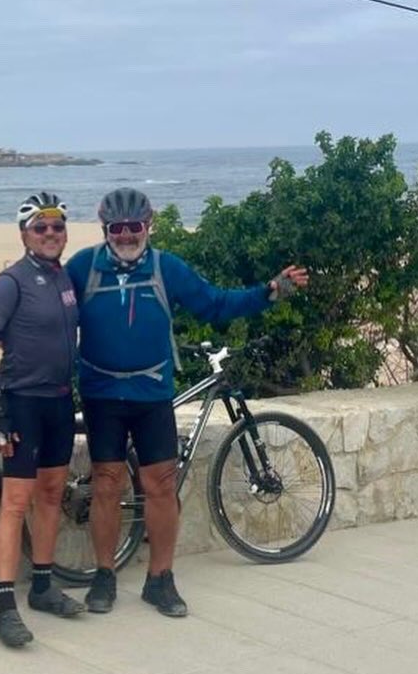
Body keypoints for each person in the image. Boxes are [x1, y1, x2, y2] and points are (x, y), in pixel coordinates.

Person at [65, 187, 309, 618]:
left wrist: (269, 291)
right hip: (102, 395)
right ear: (105, 229)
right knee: (106, 483)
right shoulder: (82, 268)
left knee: (160, 486)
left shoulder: (166, 268)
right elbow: (51, 319)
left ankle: (160, 580)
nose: (126, 236)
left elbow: (214, 304)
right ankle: (104, 576)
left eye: (134, 227)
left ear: (148, 226)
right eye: (117, 229)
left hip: (152, 394)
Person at [0, 192, 86, 647]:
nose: (51, 234)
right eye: (41, 227)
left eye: (57, 226)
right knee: (16, 502)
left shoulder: (65, 279)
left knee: (53, 494)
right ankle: (4, 605)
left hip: (59, 402)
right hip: (21, 404)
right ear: (24, 235)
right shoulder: (10, 282)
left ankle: (41, 586)